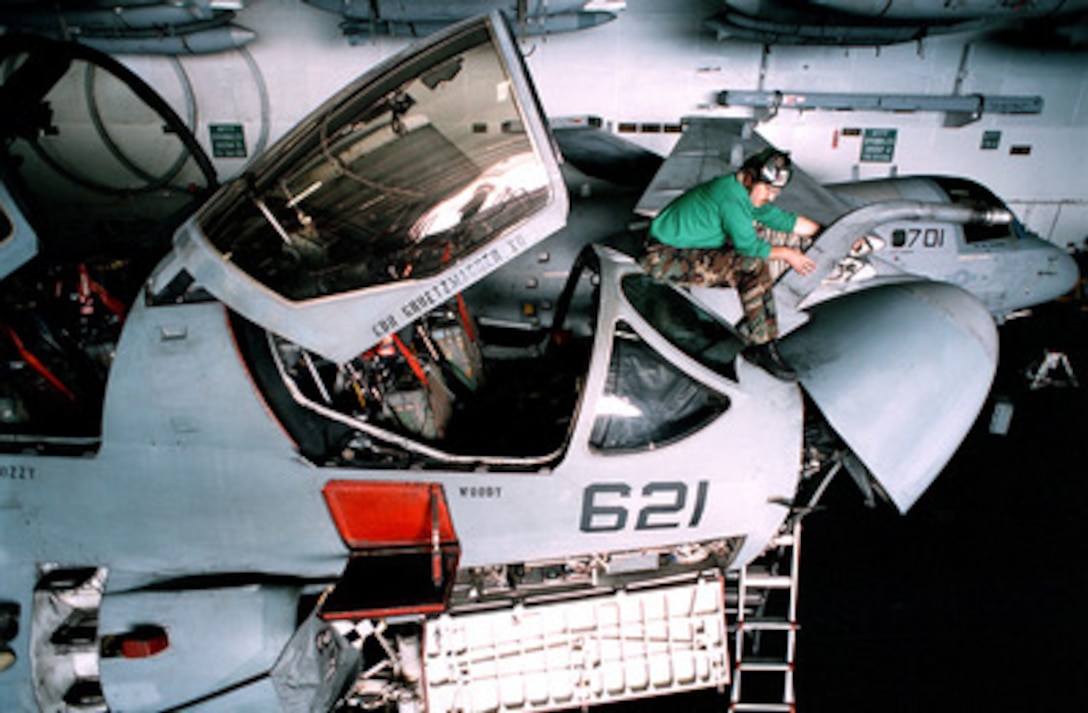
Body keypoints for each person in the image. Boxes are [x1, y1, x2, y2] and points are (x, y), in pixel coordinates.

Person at [639, 148, 821, 381]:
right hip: (661, 258)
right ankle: (763, 347)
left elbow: (781, 219)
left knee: (745, 261)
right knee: (751, 266)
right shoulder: (730, 197)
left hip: (683, 250)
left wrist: (825, 231)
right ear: (749, 178)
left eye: (775, 191)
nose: (771, 196)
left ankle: (758, 330)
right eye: (767, 189)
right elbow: (749, 247)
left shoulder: (740, 191)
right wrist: (788, 253)